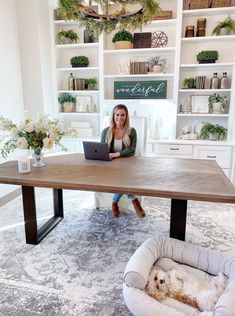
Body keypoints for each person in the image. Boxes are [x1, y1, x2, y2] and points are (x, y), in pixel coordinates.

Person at [101, 104, 146, 218]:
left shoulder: (131, 131)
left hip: (127, 165)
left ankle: (114, 203)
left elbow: (132, 150)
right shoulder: (106, 131)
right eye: (117, 115)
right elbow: (101, 149)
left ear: (126, 117)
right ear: (113, 116)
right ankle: (134, 200)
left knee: (124, 177)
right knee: (122, 178)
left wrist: (117, 154)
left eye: (122, 115)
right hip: (111, 165)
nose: (119, 118)